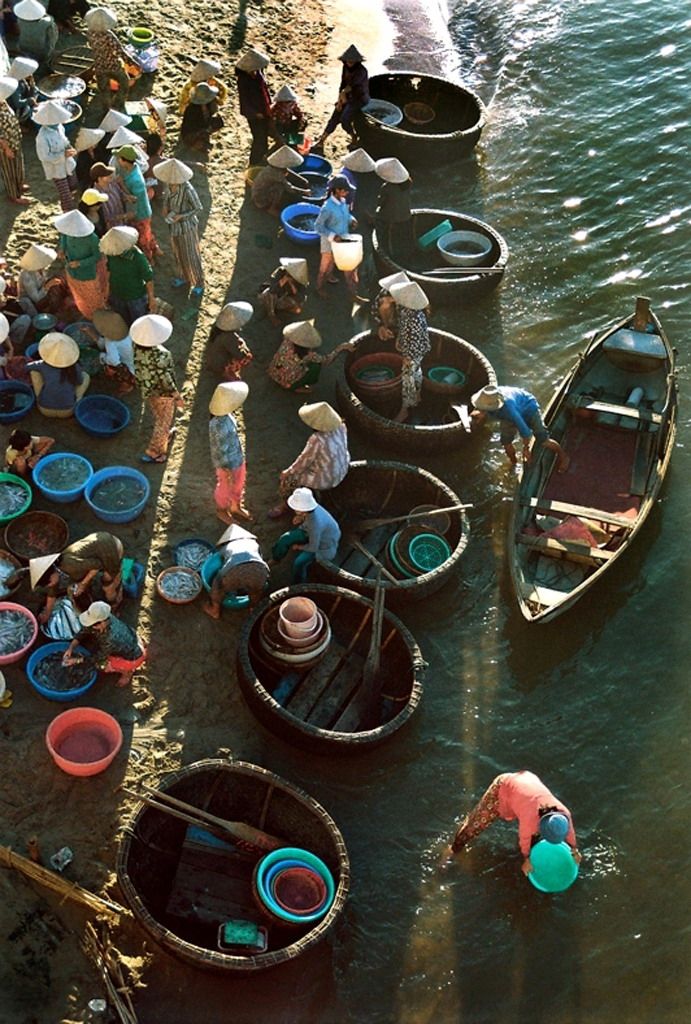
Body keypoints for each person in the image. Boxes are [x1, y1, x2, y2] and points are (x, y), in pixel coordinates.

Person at [444, 770, 581, 878]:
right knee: (475, 825)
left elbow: (571, 841)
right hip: (504, 788)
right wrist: (527, 860)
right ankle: (452, 850)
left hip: (527, 783)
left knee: (525, 813)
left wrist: (574, 851)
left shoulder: (564, 815)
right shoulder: (530, 821)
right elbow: (525, 844)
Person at [268, 402, 350, 519]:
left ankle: (285, 504)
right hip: (342, 469)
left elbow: (302, 462)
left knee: (290, 479)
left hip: (326, 479)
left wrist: (287, 472)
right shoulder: (341, 426)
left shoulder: (317, 439)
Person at [470, 384, 570, 471]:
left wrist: (526, 448)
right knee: (506, 442)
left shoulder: (509, 410)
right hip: (507, 413)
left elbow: (526, 433)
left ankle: (563, 456)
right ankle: (513, 463)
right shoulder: (487, 396)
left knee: (543, 440)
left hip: (529, 408)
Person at [30, 532, 124, 620]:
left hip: (110, 548)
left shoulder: (69, 565)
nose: (50, 585)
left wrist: (83, 583)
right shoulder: (53, 569)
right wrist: (47, 613)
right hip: (94, 553)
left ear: (51, 576)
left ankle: (115, 605)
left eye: (48, 583)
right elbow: (52, 591)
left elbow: (98, 565)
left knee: (108, 585)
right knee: (82, 579)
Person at [131, 314, 183, 464]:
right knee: (163, 422)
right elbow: (166, 379)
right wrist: (177, 396)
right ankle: (155, 452)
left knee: (159, 415)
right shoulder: (162, 354)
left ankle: (165, 435)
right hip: (163, 393)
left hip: (147, 389)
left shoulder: (136, 346)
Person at [63, 600, 145, 687]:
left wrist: (76, 660)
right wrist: (71, 647)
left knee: (102, 665)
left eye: (93, 625)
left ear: (102, 623)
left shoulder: (111, 638)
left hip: (133, 657)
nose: (91, 627)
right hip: (131, 638)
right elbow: (85, 630)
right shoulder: (104, 615)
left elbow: (99, 658)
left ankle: (127, 673)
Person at [154, 158, 204, 297]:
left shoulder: (188, 189)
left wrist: (181, 216)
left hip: (187, 227)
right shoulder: (168, 185)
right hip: (173, 226)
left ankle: (199, 282)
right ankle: (183, 277)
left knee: (191, 255)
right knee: (177, 253)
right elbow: (166, 199)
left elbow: (198, 208)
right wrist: (165, 207)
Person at [273, 487, 341, 584]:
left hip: (323, 545)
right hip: (311, 533)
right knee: (286, 538)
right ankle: (276, 558)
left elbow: (313, 547)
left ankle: (299, 584)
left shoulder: (315, 524)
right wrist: (300, 518)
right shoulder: (309, 511)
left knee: (299, 563)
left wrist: (299, 547)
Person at [267, 319, 355, 394]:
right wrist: (341, 347)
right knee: (316, 366)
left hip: (273, 372)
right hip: (286, 383)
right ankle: (296, 387)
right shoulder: (310, 355)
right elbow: (327, 361)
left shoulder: (287, 340)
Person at [203, 523, 270, 619]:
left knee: (217, 585)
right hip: (260, 570)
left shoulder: (225, 547)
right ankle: (253, 608)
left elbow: (222, 563)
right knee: (256, 591)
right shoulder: (254, 543)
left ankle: (214, 610)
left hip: (234, 570)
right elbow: (260, 557)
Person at [388, 279, 431, 423]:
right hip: (417, 350)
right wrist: (399, 339)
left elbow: (413, 340)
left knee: (407, 378)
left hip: (413, 352)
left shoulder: (413, 319)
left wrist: (407, 357)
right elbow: (405, 333)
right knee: (416, 372)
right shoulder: (409, 310)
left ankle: (405, 409)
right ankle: (417, 395)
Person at [209, 381, 251, 525]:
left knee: (239, 484)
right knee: (225, 488)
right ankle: (222, 510)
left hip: (237, 458)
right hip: (226, 464)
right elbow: (218, 450)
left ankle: (235, 506)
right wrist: (226, 471)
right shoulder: (218, 425)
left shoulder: (226, 415)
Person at [54, 209, 109, 318]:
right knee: (78, 295)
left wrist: (80, 263)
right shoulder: (67, 232)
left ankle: (95, 317)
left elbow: (97, 256)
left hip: (87, 274)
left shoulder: (92, 239)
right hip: (71, 271)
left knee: (93, 298)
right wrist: (62, 249)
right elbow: (63, 239)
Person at [314, 44, 369, 150]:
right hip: (346, 96)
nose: (349, 63)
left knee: (345, 120)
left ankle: (353, 137)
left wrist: (343, 94)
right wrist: (339, 101)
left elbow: (352, 86)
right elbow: (343, 84)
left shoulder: (362, 71)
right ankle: (321, 141)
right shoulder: (346, 68)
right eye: (348, 61)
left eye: (352, 62)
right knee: (334, 117)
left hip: (359, 98)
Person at [99, 225, 154, 325]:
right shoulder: (112, 253)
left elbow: (148, 278)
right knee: (123, 320)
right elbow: (109, 271)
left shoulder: (138, 257)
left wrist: (151, 299)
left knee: (138, 321)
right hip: (117, 294)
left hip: (135, 296)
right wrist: (107, 291)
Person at [114, 144, 160, 262]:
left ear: (125, 161)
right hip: (141, 210)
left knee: (143, 239)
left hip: (140, 213)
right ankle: (155, 249)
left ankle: (150, 260)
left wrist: (122, 185)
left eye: (119, 158)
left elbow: (134, 198)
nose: (118, 160)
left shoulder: (136, 180)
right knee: (147, 233)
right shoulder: (133, 167)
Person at [27, 331, 90, 417]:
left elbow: (27, 367)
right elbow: (79, 382)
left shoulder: (42, 364)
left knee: (34, 372)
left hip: (44, 409)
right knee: (86, 376)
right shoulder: (74, 367)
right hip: (68, 411)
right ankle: (75, 399)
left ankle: (44, 395)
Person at [314, 176, 358, 296]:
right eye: (345, 190)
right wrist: (333, 236)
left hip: (342, 238)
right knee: (324, 267)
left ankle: (330, 276)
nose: (347, 192)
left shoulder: (343, 202)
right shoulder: (327, 207)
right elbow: (318, 226)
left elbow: (346, 215)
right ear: (337, 190)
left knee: (333, 261)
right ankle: (319, 288)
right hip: (329, 242)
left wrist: (352, 220)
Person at [84, 7, 133, 111]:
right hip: (113, 65)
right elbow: (119, 51)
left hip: (98, 65)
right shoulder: (109, 36)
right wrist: (130, 61)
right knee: (124, 83)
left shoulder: (89, 32)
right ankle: (119, 103)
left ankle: (107, 107)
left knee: (104, 89)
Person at [34, 99, 77, 211]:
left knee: (73, 185)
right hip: (56, 170)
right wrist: (63, 155)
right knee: (65, 195)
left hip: (67, 164)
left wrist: (69, 147)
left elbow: (65, 140)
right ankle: (67, 212)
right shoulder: (42, 137)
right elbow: (44, 157)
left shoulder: (59, 127)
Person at [235, 47, 273, 166]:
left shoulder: (259, 73)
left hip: (264, 109)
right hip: (254, 115)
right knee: (258, 138)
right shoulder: (243, 81)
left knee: (264, 136)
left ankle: (263, 157)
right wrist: (256, 114)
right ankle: (254, 162)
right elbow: (245, 101)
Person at [250, 144, 309, 217]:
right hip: (259, 197)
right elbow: (289, 188)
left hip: (262, 190)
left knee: (282, 185)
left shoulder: (276, 167)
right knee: (280, 187)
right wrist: (304, 192)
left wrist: (303, 180)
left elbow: (289, 172)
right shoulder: (275, 173)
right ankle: (271, 208)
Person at [0, 76, 31, 206]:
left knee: (18, 165)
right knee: (8, 171)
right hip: (5, 146)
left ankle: (19, 184)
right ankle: (14, 195)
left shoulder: (3, 103)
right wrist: (6, 149)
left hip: (15, 140)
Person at [374, 157, 413, 259]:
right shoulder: (408, 183)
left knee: (379, 218)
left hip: (391, 217)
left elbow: (380, 203)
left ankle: (386, 249)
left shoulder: (387, 187)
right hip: (406, 214)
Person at [207, 300, 253, 381]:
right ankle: (226, 373)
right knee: (246, 358)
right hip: (218, 364)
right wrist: (246, 352)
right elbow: (240, 355)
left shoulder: (218, 328)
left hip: (213, 357)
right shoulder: (229, 337)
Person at [91, 308, 135, 393]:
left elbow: (114, 360)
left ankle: (127, 384)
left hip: (131, 370)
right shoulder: (129, 331)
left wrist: (102, 357)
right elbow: (103, 344)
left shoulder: (111, 342)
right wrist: (92, 334)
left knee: (108, 366)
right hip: (138, 363)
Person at [17, 243, 65, 314]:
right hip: (31, 301)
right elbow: (36, 298)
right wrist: (48, 285)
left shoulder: (40, 269)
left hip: (41, 291)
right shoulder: (26, 276)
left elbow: (44, 280)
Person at [258, 257, 308, 326]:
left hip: (283, 299)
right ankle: (271, 314)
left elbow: (301, 297)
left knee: (297, 307)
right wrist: (284, 280)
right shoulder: (280, 271)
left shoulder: (301, 281)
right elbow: (272, 289)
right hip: (272, 297)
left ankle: (277, 308)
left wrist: (291, 284)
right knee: (270, 295)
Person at [14, 0, 59, 70]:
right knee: (52, 32)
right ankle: (46, 59)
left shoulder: (19, 20)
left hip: (22, 48)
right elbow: (52, 39)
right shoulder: (46, 23)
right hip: (40, 52)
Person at [180, 83, 223, 152]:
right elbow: (191, 126)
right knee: (198, 139)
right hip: (192, 131)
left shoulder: (208, 104)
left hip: (202, 125)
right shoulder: (192, 110)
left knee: (218, 122)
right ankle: (196, 145)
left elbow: (213, 112)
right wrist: (205, 130)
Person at [89, 161, 131, 231]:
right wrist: (125, 216)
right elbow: (107, 217)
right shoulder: (97, 195)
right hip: (113, 229)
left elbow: (120, 193)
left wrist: (127, 197)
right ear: (99, 178)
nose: (110, 175)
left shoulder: (112, 183)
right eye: (107, 175)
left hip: (123, 222)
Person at [371, 271, 408, 342]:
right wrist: (381, 326)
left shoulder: (408, 298)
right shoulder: (384, 294)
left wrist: (402, 335)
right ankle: (387, 327)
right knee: (385, 303)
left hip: (404, 323)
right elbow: (375, 311)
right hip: (391, 320)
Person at [7, 56, 39, 126]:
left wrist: (32, 86)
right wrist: (30, 100)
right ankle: (20, 123)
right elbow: (17, 103)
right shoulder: (14, 85)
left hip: (23, 98)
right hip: (14, 108)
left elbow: (28, 91)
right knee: (27, 109)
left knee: (36, 90)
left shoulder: (21, 79)